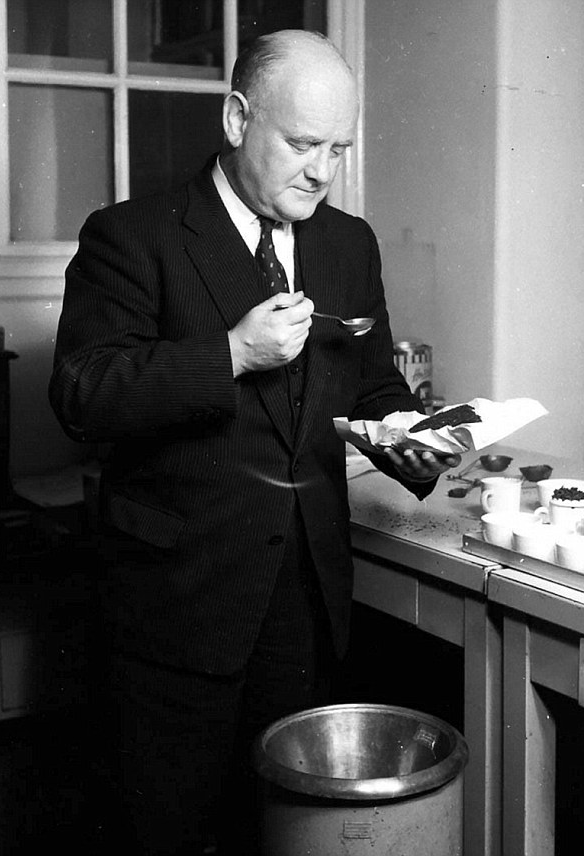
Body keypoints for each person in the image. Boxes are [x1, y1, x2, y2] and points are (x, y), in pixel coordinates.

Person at [49, 29, 459, 855]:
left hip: (304, 605)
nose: (322, 171)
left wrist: (409, 438)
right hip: (177, 608)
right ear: (237, 119)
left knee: (289, 835)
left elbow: (373, 386)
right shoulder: (133, 236)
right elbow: (82, 394)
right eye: (303, 144)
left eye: (338, 148)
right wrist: (232, 353)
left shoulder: (349, 244)